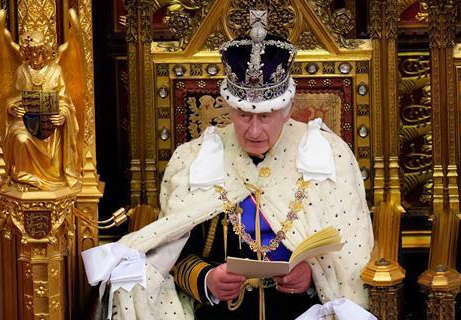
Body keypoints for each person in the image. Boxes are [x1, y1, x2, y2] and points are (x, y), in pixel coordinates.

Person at [83, 10, 374, 320]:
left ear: (288, 109)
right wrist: (206, 280)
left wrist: (313, 278)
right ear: (228, 107)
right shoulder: (194, 158)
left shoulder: (329, 155)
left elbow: (349, 265)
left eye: (265, 116)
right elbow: (168, 258)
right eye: (243, 116)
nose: (254, 130)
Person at [4, 31, 80, 190]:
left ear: (45, 51)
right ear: (26, 53)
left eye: (39, 53)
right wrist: (13, 108)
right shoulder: (21, 71)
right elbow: (12, 99)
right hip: (25, 122)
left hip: (49, 124)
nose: (36, 58)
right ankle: (24, 178)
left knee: (52, 135)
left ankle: (53, 176)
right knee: (20, 138)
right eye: (31, 54)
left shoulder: (56, 70)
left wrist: (62, 115)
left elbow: (64, 101)